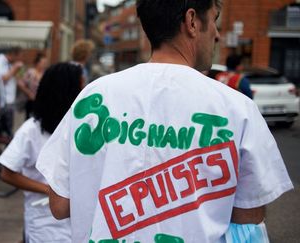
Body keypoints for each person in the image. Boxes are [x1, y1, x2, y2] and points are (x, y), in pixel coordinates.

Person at [35, 0, 293, 242]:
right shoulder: (238, 109)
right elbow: (248, 222)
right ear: (191, 21)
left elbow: (59, 205)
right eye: (214, 20)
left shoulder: (94, 96)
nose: (216, 34)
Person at [0, 62, 83, 242]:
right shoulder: (31, 130)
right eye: (80, 87)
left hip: (76, 222)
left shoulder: (79, 127)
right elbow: (6, 173)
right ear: (67, 92)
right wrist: (49, 189)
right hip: (44, 224)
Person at [0, 46, 24, 137]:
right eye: (19, 57)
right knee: (2, 130)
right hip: (3, 100)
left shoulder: (11, 64)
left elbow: (17, 80)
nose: (21, 60)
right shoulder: (0, 60)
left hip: (11, 100)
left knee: (9, 130)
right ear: (13, 54)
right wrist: (15, 68)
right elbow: (3, 79)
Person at [16, 52, 48, 118]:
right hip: (31, 101)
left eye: (45, 63)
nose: (45, 65)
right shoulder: (31, 72)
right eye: (43, 63)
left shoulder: (46, 73)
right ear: (37, 63)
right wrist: (29, 93)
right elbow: (20, 84)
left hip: (42, 101)